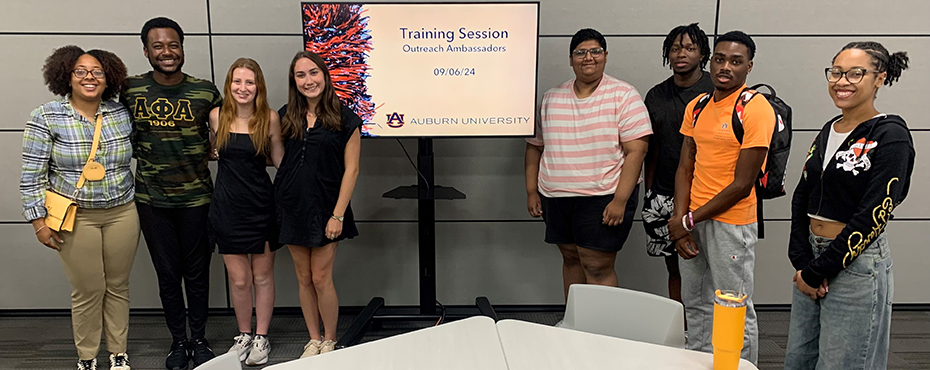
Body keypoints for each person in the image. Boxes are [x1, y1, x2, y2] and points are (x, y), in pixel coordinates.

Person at [784, 42, 912, 370]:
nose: (842, 81)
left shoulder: (891, 134)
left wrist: (819, 270)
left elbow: (873, 214)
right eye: (836, 72)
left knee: (843, 363)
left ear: (879, 78)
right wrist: (801, 261)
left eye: (856, 73)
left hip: (856, 265)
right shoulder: (830, 130)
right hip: (812, 259)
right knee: (799, 361)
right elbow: (803, 195)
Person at [21, 45, 137, 370]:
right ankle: (87, 358)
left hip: (122, 212)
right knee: (88, 289)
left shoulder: (119, 112)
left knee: (117, 286)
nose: (90, 77)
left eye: (97, 71)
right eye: (81, 71)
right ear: (66, 76)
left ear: (108, 77)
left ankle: (118, 354)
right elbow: (32, 175)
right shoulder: (45, 116)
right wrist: (39, 223)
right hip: (75, 216)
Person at [667, 31, 774, 365]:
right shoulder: (697, 106)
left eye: (736, 61)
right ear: (710, 61)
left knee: (732, 305)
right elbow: (685, 166)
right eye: (720, 58)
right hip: (694, 219)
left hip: (732, 223)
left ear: (749, 67)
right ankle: (699, 360)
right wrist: (680, 219)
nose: (725, 67)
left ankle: (739, 365)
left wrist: (688, 220)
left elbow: (743, 184)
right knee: (696, 300)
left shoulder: (755, 109)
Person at [123, 17, 222, 370]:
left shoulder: (206, 91)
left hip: (197, 198)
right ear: (146, 50)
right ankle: (178, 342)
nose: (167, 52)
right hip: (152, 201)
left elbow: (222, 136)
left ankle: (199, 338)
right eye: (158, 46)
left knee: (197, 274)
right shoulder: (130, 89)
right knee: (167, 275)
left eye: (173, 45)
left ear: (182, 47)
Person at [525, 28, 651, 304]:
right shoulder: (551, 98)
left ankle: (601, 334)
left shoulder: (624, 95)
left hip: (603, 197)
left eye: (595, 51)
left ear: (605, 56)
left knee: (597, 266)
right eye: (580, 52)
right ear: (571, 59)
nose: (588, 58)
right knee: (571, 259)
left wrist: (620, 200)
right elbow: (535, 147)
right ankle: (575, 327)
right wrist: (532, 191)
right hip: (556, 198)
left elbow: (637, 151)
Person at [276, 51, 362, 358]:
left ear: (324, 76)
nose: (308, 80)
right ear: (294, 81)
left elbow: (351, 169)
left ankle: (329, 340)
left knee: (321, 277)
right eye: (301, 75)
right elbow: (275, 156)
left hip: (328, 209)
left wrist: (337, 214)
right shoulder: (286, 115)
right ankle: (312, 339)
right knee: (303, 277)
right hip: (291, 206)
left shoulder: (345, 117)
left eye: (313, 73)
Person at [209, 58, 284, 366]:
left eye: (249, 82)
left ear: (259, 87)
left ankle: (261, 338)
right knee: (239, 280)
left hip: (261, 207)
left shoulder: (270, 118)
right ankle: (243, 335)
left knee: (262, 276)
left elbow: (280, 162)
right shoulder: (216, 117)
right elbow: (215, 153)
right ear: (229, 85)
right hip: (227, 208)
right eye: (237, 82)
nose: (243, 88)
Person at [642, 23, 714, 307]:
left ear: (702, 54)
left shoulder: (715, 90)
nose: (681, 53)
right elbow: (651, 147)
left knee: (709, 269)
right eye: (675, 48)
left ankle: (708, 333)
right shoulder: (656, 95)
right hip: (663, 195)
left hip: (706, 195)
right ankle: (683, 330)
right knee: (675, 268)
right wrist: (650, 193)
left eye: (689, 47)